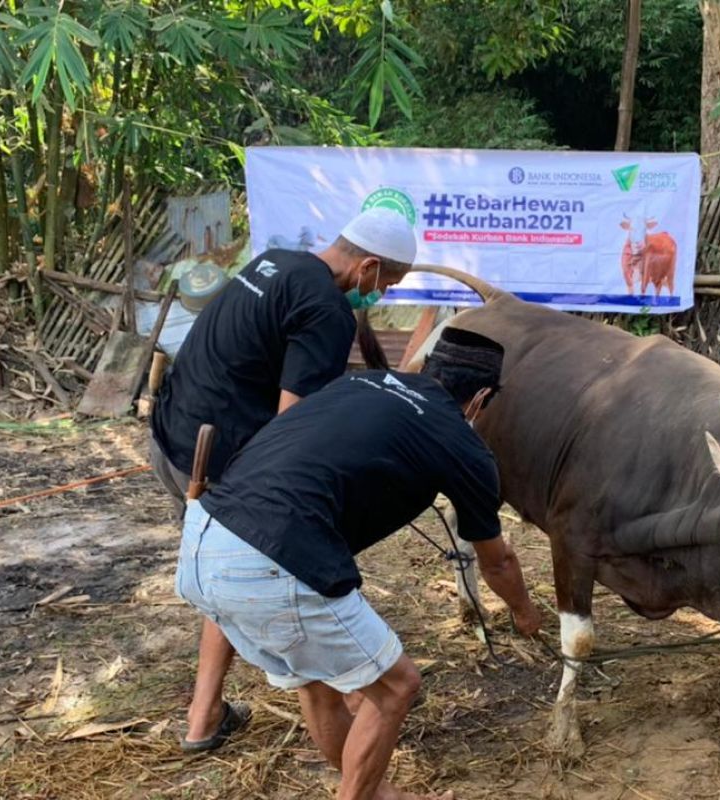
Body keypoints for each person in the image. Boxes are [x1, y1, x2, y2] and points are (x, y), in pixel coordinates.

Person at [175, 328, 541, 800]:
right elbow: (497, 562)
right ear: (481, 398)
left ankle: (377, 794)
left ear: (429, 368)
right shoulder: (461, 441)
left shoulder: (358, 384)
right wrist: (526, 615)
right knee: (396, 687)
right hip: (273, 561)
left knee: (317, 684)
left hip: (204, 537)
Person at [149, 208, 417, 752]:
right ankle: (352, 699)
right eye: (387, 282)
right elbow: (294, 431)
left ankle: (205, 715)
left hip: (172, 437)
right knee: (276, 565)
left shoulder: (275, 263)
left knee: (224, 579)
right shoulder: (327, 311)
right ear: (366, 267)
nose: (382, 294)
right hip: (216, 458)